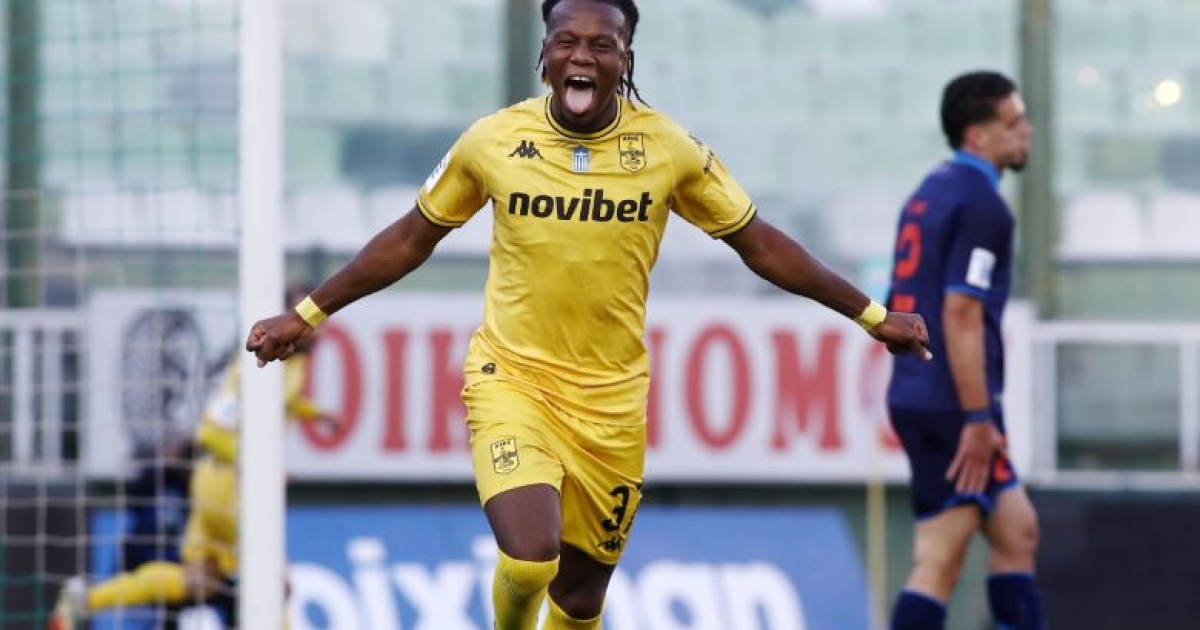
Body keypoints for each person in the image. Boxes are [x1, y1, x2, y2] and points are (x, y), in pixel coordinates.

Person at [246, 1, 931, 628]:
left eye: (602, 44)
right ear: (543, 55)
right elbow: (409, 238)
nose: (582, 55)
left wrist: (873, 317)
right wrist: (307, 313)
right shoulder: (493, 141)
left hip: (611, 405)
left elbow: (762, 245)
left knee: (579, 600)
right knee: (529, 559)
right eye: (566, 41)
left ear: (625, 59)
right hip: (513, 380)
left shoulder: (668, 150)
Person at [49, 287, 337, 630]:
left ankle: (87, 599)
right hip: (229, 486)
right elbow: (211, 431)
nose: (318, 327)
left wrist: (315, 413)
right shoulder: (255, 368)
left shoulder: (292, 365)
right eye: (309, 318)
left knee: (200, 579)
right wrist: (258, 464)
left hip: (218, 480)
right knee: (275, 584)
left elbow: (283, 401)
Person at [885, 71, 1043, 630]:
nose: (1027, 130)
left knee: (1017, 531)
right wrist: (977, 418)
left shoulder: (931, 190)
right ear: (978, 135)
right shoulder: (983, 206)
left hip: (926, 391)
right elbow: (961, 312)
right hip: (953, 403)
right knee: (940, 559)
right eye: (1014, 121)